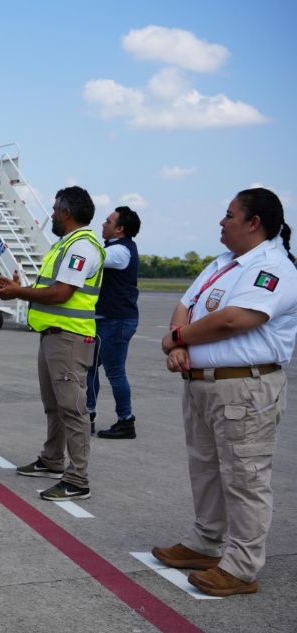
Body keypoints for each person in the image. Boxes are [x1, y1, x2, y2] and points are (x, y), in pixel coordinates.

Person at [151, 188, 296, 598]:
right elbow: (186, 305)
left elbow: (234, 320)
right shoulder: (223, 263)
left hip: (244, 387)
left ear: (254, 223)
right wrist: (179, 343)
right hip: (203, 385)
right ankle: (205, 543)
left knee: (245, 477)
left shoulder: (273, 267)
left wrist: (174, 338)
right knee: (206, 469)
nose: (221, 221)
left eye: (229, 215)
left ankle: (242, 567)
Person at [0, 186, 104, 502]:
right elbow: (50, 289)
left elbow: (61, 294)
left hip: (68, 338)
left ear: (66, 212)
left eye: (55, 209)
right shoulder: (65, 245)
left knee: (73, 410)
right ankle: (52, 460)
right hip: (53, 336)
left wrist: (17, 293)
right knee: (54, 406)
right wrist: (20, 287)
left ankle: (77, 479)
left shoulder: (82, 247)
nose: (52, 215)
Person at [89, 206, 142, 439]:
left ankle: (125, 420)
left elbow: (93, 258)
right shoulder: (115, 247)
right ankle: (87, 414)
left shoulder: (120, 251)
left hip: (115, 322)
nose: (103, 224)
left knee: (115, 373)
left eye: (108, 222)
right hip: (105, 320)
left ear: (120, 229)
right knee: (88, 369)